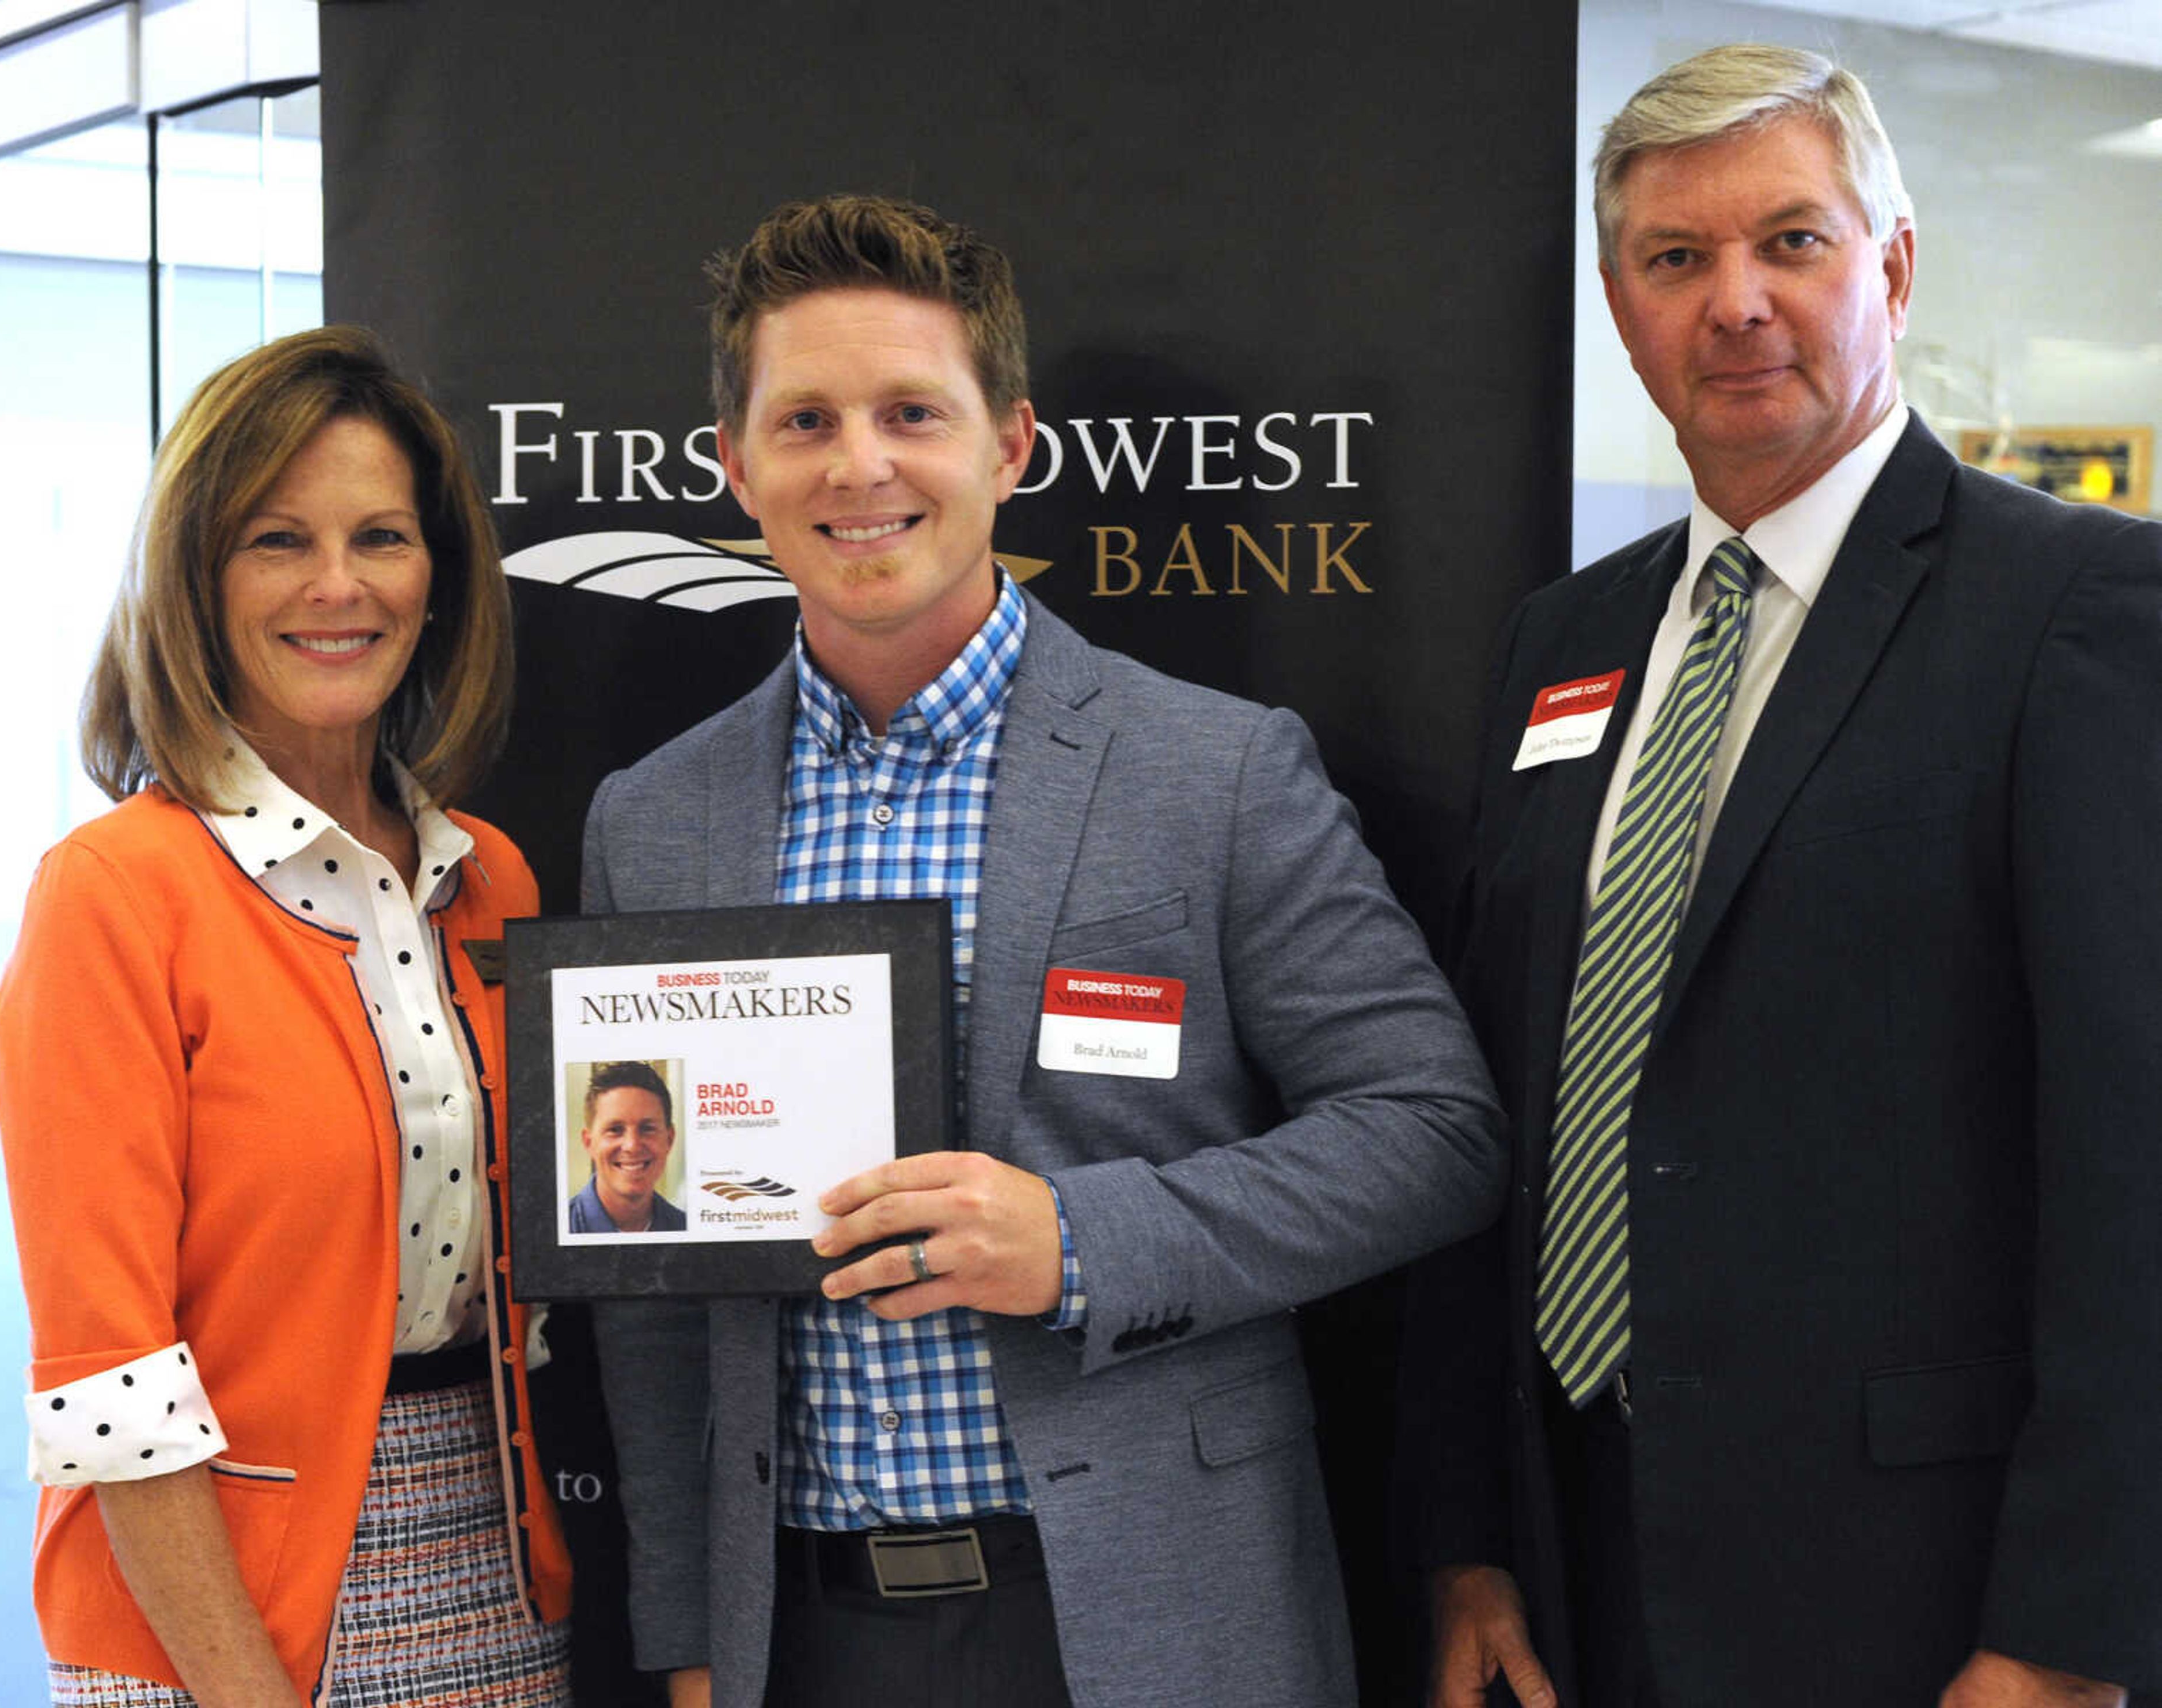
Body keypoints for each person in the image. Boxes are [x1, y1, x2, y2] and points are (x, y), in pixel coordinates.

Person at [583, 194, 1504, 1708]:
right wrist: (688, 1637)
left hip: (1143, 1614)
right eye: (805, 419)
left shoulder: (1215, 772)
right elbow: (656, 1295)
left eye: (911, 412)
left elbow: (1434, 1135)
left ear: (1010, 446)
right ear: (735, 467)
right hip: (800, 1637)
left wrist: (1079, 1245)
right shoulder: (656, 820)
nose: (859, 464)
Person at [1399, 42, 2162, 1708]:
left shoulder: (2083, 612)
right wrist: (1472, 1541)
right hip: (1579, 1559)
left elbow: (2138, 1165)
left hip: (1918, 1589)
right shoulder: (1562, 639)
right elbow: (1495, 1099)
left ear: (1890, 266)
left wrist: (2069, 1636)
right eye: (1679, 259)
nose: (1736, 301)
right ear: (1624, 309)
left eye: (1792, 243)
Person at [0, 327, 573, 1706]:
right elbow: (110, 1383)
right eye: (275, 539)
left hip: (497, 1569)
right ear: (197, 580)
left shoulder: (489, 881)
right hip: (214, 1609)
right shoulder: (112, 897)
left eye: (380, 536)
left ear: (435, 578)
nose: (337, 586)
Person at [569, 1060, 687, 1233]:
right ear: (589, 1143)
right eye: (615, 1130)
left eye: (647, 1129)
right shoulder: (556, 1229)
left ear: (669, 1140)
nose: (632, 1146)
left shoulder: (687, 1227)